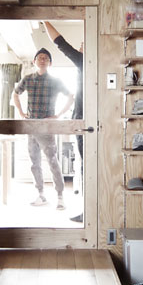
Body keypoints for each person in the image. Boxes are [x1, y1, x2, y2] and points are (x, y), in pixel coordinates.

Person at [13, 48, 74, 210]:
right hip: (31, 125)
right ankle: (40, 194)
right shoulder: (27, 79)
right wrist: (21, 112)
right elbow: (15, 94)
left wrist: (58, 115)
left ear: (50, 63)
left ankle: (60, 197)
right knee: (35, 162)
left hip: (47, 126)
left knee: (52, 161)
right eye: (39, 57)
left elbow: (71, 96)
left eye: (46, 58)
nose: (42, 60)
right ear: (34, 61)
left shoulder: (56, 81)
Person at [43, 21, 84, 223]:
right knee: (86, 167)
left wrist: (44, 20)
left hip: (84, 123)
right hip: (81, 121)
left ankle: (89, 213)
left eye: (84, 44)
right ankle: (89, 211)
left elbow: (60, 43)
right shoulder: (84, 67)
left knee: (87, 168)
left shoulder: (85, 61)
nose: (81, 46)